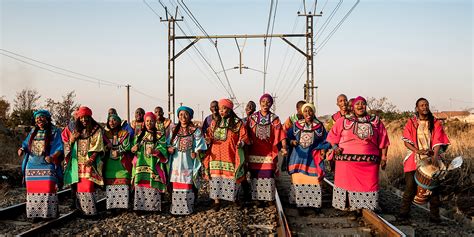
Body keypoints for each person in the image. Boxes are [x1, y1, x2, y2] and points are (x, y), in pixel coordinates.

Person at [326, 96, 389, 212]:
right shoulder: (343, 120)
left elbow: (383, 140)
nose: (360, 106)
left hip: (369, 163)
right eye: (357, 104)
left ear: (366, 106)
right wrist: (335, 148)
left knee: (370, 184)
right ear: (353, 107)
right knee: (347, 184)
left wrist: (384, 157)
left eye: (363, 103)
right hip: (346, 162)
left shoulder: (375, 121)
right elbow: (331, 137)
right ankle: (349, 205)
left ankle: (368, 206)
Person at [399, 98, 450, 223]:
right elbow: (406, 141)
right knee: (410, 187)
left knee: (435, 189)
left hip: (432, 157)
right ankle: (404, 214)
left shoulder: (436, 122)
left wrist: (435, 156)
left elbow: (438, 140)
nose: (424, 107)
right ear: (417, 108)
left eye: (426, 105)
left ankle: (435, 216)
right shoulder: (411, 122)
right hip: (414, 157)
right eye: (421, 105)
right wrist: (417, 151)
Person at [203, 99, 249, 210]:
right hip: (215, 155)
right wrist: (207, 140)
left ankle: (233, 199)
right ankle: (216, 201)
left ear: (230, 109)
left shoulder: (238, 123)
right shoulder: (214, 123)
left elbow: (244, 136)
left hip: (230, 154)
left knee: (231, 176)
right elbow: (208, 135)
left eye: (224, 108)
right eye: (220, 109)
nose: (222, 111)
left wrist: (241, 142)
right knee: (215, 176)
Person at [19, 110, 63, 220]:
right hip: (32, 164)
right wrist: (21, 148)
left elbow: (60, 147)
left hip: (47, 165)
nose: (39, 120)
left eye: (42, 117)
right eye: (37, 118)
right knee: (33, 190)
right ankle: (35, 214)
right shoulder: (33, 131)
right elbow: (25, 143)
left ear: (47, 119)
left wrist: (53, 157)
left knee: (48, 189)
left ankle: (48, 214)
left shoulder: (55, 131)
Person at [287, 103, 330, 213]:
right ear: (302, 112)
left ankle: (314, 204)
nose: (308, 113)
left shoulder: (319, 126)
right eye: (305, 111)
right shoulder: (296, 125)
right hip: (298, 157)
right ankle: (301, 205)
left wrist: (323, 149)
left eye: (310, 111)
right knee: (299, 180)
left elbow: (325, 140)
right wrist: (291, 141)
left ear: (313, 112)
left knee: (313, 180)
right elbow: (287, 136)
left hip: (312, 158)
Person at [63, 106, 105, 216]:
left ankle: (91, 212)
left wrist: (92, 159)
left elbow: (98, 145)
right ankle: (82, 211)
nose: (84, 120)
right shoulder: (75, 130)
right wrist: (72, 140)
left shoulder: (96, 129)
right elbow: (67, 146)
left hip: (89, 163)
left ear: (90, 118)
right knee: (79, 187)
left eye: (86, 118)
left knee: (88, 187)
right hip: (77, 163)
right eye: (81, 118)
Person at [246, 93, 287, 203]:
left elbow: (281, 133)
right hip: (254, 151)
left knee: (268, 173)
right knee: (255, 174)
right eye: (263, 102)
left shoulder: (274, 119)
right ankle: (257, 198)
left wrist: (283, 147)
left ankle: (268, 197)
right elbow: (245, 133)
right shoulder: (252, 118)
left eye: (268, 102)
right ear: (260, 103)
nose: (265, 104)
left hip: (268, 151)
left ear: (271, 104)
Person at [168, 106, 207, 215]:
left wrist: (197, 152)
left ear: (190, 116)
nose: (183, 117)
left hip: (189, 162)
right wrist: (169, 148)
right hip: (176, 162)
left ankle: (189, 208)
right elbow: (168, 144)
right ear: (178, 116)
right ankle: (176, 208)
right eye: (180, 114)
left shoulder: (195, 131)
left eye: (185, 114)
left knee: (188, 184)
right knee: (176, 184)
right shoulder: (173, 130)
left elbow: (201, 145)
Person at [131, 112, 168, 212]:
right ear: (144, 122)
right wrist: (133, 148)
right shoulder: (139, 134)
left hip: (153, 164)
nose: (149, 122)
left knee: (153, 183)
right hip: (141, 163)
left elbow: (163, 148)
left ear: (155, 122)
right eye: (147, 120)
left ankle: (154, 207)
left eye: (151, 120)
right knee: (141, 184)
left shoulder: (160, 135)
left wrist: (155, 151)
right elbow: (134, 147)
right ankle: (140, 207)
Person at [103, 113, 132, 211]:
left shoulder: (124, 133)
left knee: (123, 180)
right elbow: (99, 147)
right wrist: (107, 147)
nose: (112, 122)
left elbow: (127, 146)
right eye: (110, 120)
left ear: (119, 122)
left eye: (114, 120)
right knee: (111, 183)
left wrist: (120, 151)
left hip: (121, 163)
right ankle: (112, 206)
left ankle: (122, 205)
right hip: (109, 163)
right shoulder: (104, 135)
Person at [281, 100, 306, 172]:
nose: (304, 111)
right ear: (297, 109)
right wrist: (289, 141)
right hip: (292, 144)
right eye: (302, 108)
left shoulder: (308, 118)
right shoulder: (291, 119)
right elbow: (284, 132)